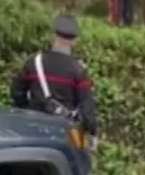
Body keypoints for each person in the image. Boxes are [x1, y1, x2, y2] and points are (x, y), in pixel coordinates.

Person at [10, 14, 99, 147]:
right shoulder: (78, 70)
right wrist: (92, 133)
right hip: (69, 133)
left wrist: (28, 109)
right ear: (74, 41)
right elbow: (87, 109)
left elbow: (16, 93)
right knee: (78, 163)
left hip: (34, 128)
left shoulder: (34, 62)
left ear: (53, 36)